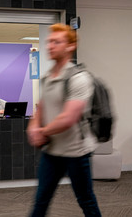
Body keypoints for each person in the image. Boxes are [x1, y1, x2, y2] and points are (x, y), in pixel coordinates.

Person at [26, 23, 101, 217]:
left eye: (56, 42)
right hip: (52, 152)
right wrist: (33, 127)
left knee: (86, 200)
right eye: (49, 42)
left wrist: (41, 132)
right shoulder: (47, 78)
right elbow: (40, 109)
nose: (50, 46)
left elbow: (68, 118)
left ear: (70, 46)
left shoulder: (79, 78)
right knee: (41, 201)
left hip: (76, 152)